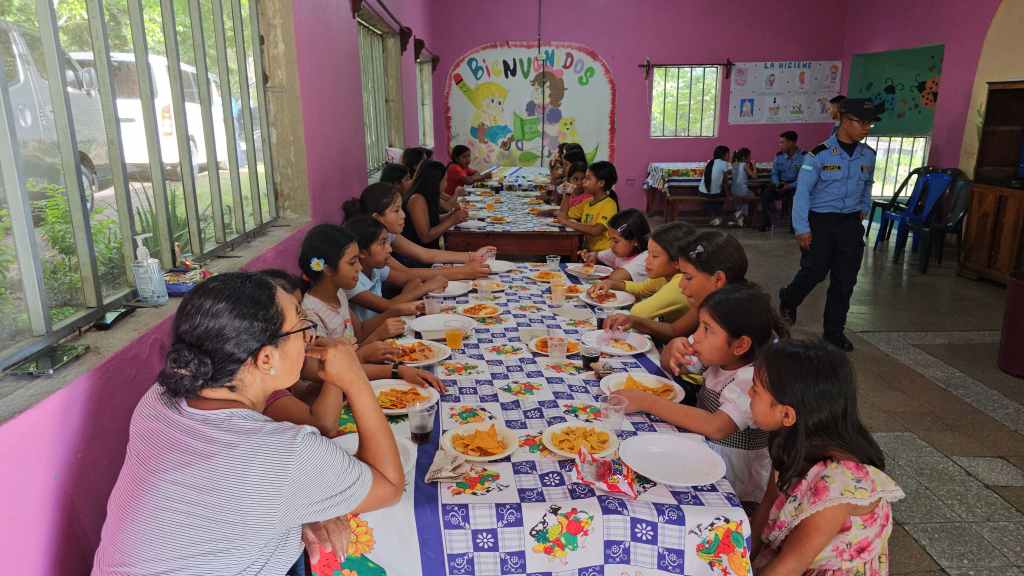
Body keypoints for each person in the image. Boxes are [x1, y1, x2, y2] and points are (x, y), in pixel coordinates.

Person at [91, 273, 405, 576]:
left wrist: (300, 510)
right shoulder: (285, 452)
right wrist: (355, 379)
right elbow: (389, 487)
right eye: (301, 326)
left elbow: (223, 499)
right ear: (266, 359)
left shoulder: (160, 398)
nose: (310, 337)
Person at [614, 283, 787, 510]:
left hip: (734, 482)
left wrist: (647, 401)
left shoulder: (751, 379)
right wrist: (673, 349)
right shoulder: (718, 356)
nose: (696, 336)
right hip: (700, 454)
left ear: (741, 345)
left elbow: (717, 426)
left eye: (707, 329)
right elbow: (674, 366)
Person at [749, 339, 904, 574]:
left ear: (787, 414)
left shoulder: (835, 489)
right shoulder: (789, 442)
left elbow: (788, 568)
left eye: (755, 389)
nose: (747, 392)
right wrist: (743, 558)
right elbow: (768, 504)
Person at [778, 98, 880, 352]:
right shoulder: (819, 154)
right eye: (862, 122)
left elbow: (868, 184)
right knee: (814, 272)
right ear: (845, 121)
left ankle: (834, 332)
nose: (867, 128)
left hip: (849, 223)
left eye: (870, 123)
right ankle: (789, 298)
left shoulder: (868, 155)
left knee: (845, 280)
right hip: (820, 222)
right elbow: (802, 192)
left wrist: (864, 208)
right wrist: (802, 228)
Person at [299, 224, 442, 390]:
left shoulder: (338, 293)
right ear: (328, 269)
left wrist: (393, 314)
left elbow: (358, 331)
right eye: (352, 262)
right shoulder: (311, 316)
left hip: (357, 374)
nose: (359, 268)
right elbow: (325, 372)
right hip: (333, 391)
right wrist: (388, 363)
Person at [610, 230, 748, 346]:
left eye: (688, 277)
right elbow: (674, 330)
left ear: (718, 280)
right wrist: (634, 321)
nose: (681, 284)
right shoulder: (706, 303)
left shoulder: (734, 321)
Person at [342, 182, 492, 280]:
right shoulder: (371, 245)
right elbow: (405, 274)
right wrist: (463, 272)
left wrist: (471, 256)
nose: (404, 215)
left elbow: (425, 254)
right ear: (377, 217)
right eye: (396, 210)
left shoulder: (388, 235)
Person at [343, 216, 446, 321]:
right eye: (382, 243)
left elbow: (412, 280)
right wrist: (427, 287)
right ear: (362, 252)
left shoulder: (375, 268)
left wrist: (400, 302)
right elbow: (388, 307)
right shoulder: (351, 281)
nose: (390, 249)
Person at [599, 222, 694, 324]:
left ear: (677, 262)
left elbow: (638, 312)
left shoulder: (679, 284)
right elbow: (642, 288)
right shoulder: (665, 275)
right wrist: (611, 284)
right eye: (648, 254)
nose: (646, 261)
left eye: (655, 256)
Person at [402, 160, 469, 251]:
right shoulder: (417, 200)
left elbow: (432, 221)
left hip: (429, 251)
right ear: (435, 181)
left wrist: (450, 215)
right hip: (417, 254)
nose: (446, 184)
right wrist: (452, 220)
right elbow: (425, 237)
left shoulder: (428, 195)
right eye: (445, 180)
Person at [556, 161, 619, 251]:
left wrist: (567, 222)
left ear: (601, 183)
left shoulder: (609, 204)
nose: (583, 182)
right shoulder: (587, 202)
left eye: (588, 178)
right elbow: (563, 215)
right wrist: (568, 193)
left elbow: (595, 230)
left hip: (603, 253)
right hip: (589, 252)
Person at [578, 208, 650, 284]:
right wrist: (590, 256)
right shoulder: (621, 251)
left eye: (616, 241)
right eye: (610, 240)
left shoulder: (645, 259)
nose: (611, 245)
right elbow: (596, 255)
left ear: (635, 241)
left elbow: (615, 278)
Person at [762, 131, 804, 232]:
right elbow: (774, 173)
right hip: (781, 184)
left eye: (782, 142)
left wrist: (790, 186)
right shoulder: (779, 156)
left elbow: (804, 178)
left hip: (795, 186)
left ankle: (794, 227)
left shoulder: (804, 157)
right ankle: (767, 223)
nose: (780, 145)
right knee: (765, 194)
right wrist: (777, 184)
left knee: (795, 197)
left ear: (791, 143)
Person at [698, 145, 731, 226]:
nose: (730, 156)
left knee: (714, 195)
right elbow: (725, 183)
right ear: (723, 155)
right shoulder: (724, 164)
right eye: (728, 154)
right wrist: (729, 196)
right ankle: (718, 216)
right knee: (723, 194)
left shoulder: (711, 162)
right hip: (712, 194)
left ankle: (714, 216)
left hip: (701, 192)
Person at [729, 147, 756, 227]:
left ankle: (740, 218)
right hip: (742, 191)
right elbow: (754, 176)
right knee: (753, 197)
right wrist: (754, 166)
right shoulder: (744, 165)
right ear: (744, 158)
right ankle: (743, 215)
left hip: (733, 191)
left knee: (741, 201)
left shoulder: (733, 164)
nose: (750, 158)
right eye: (749, 157)